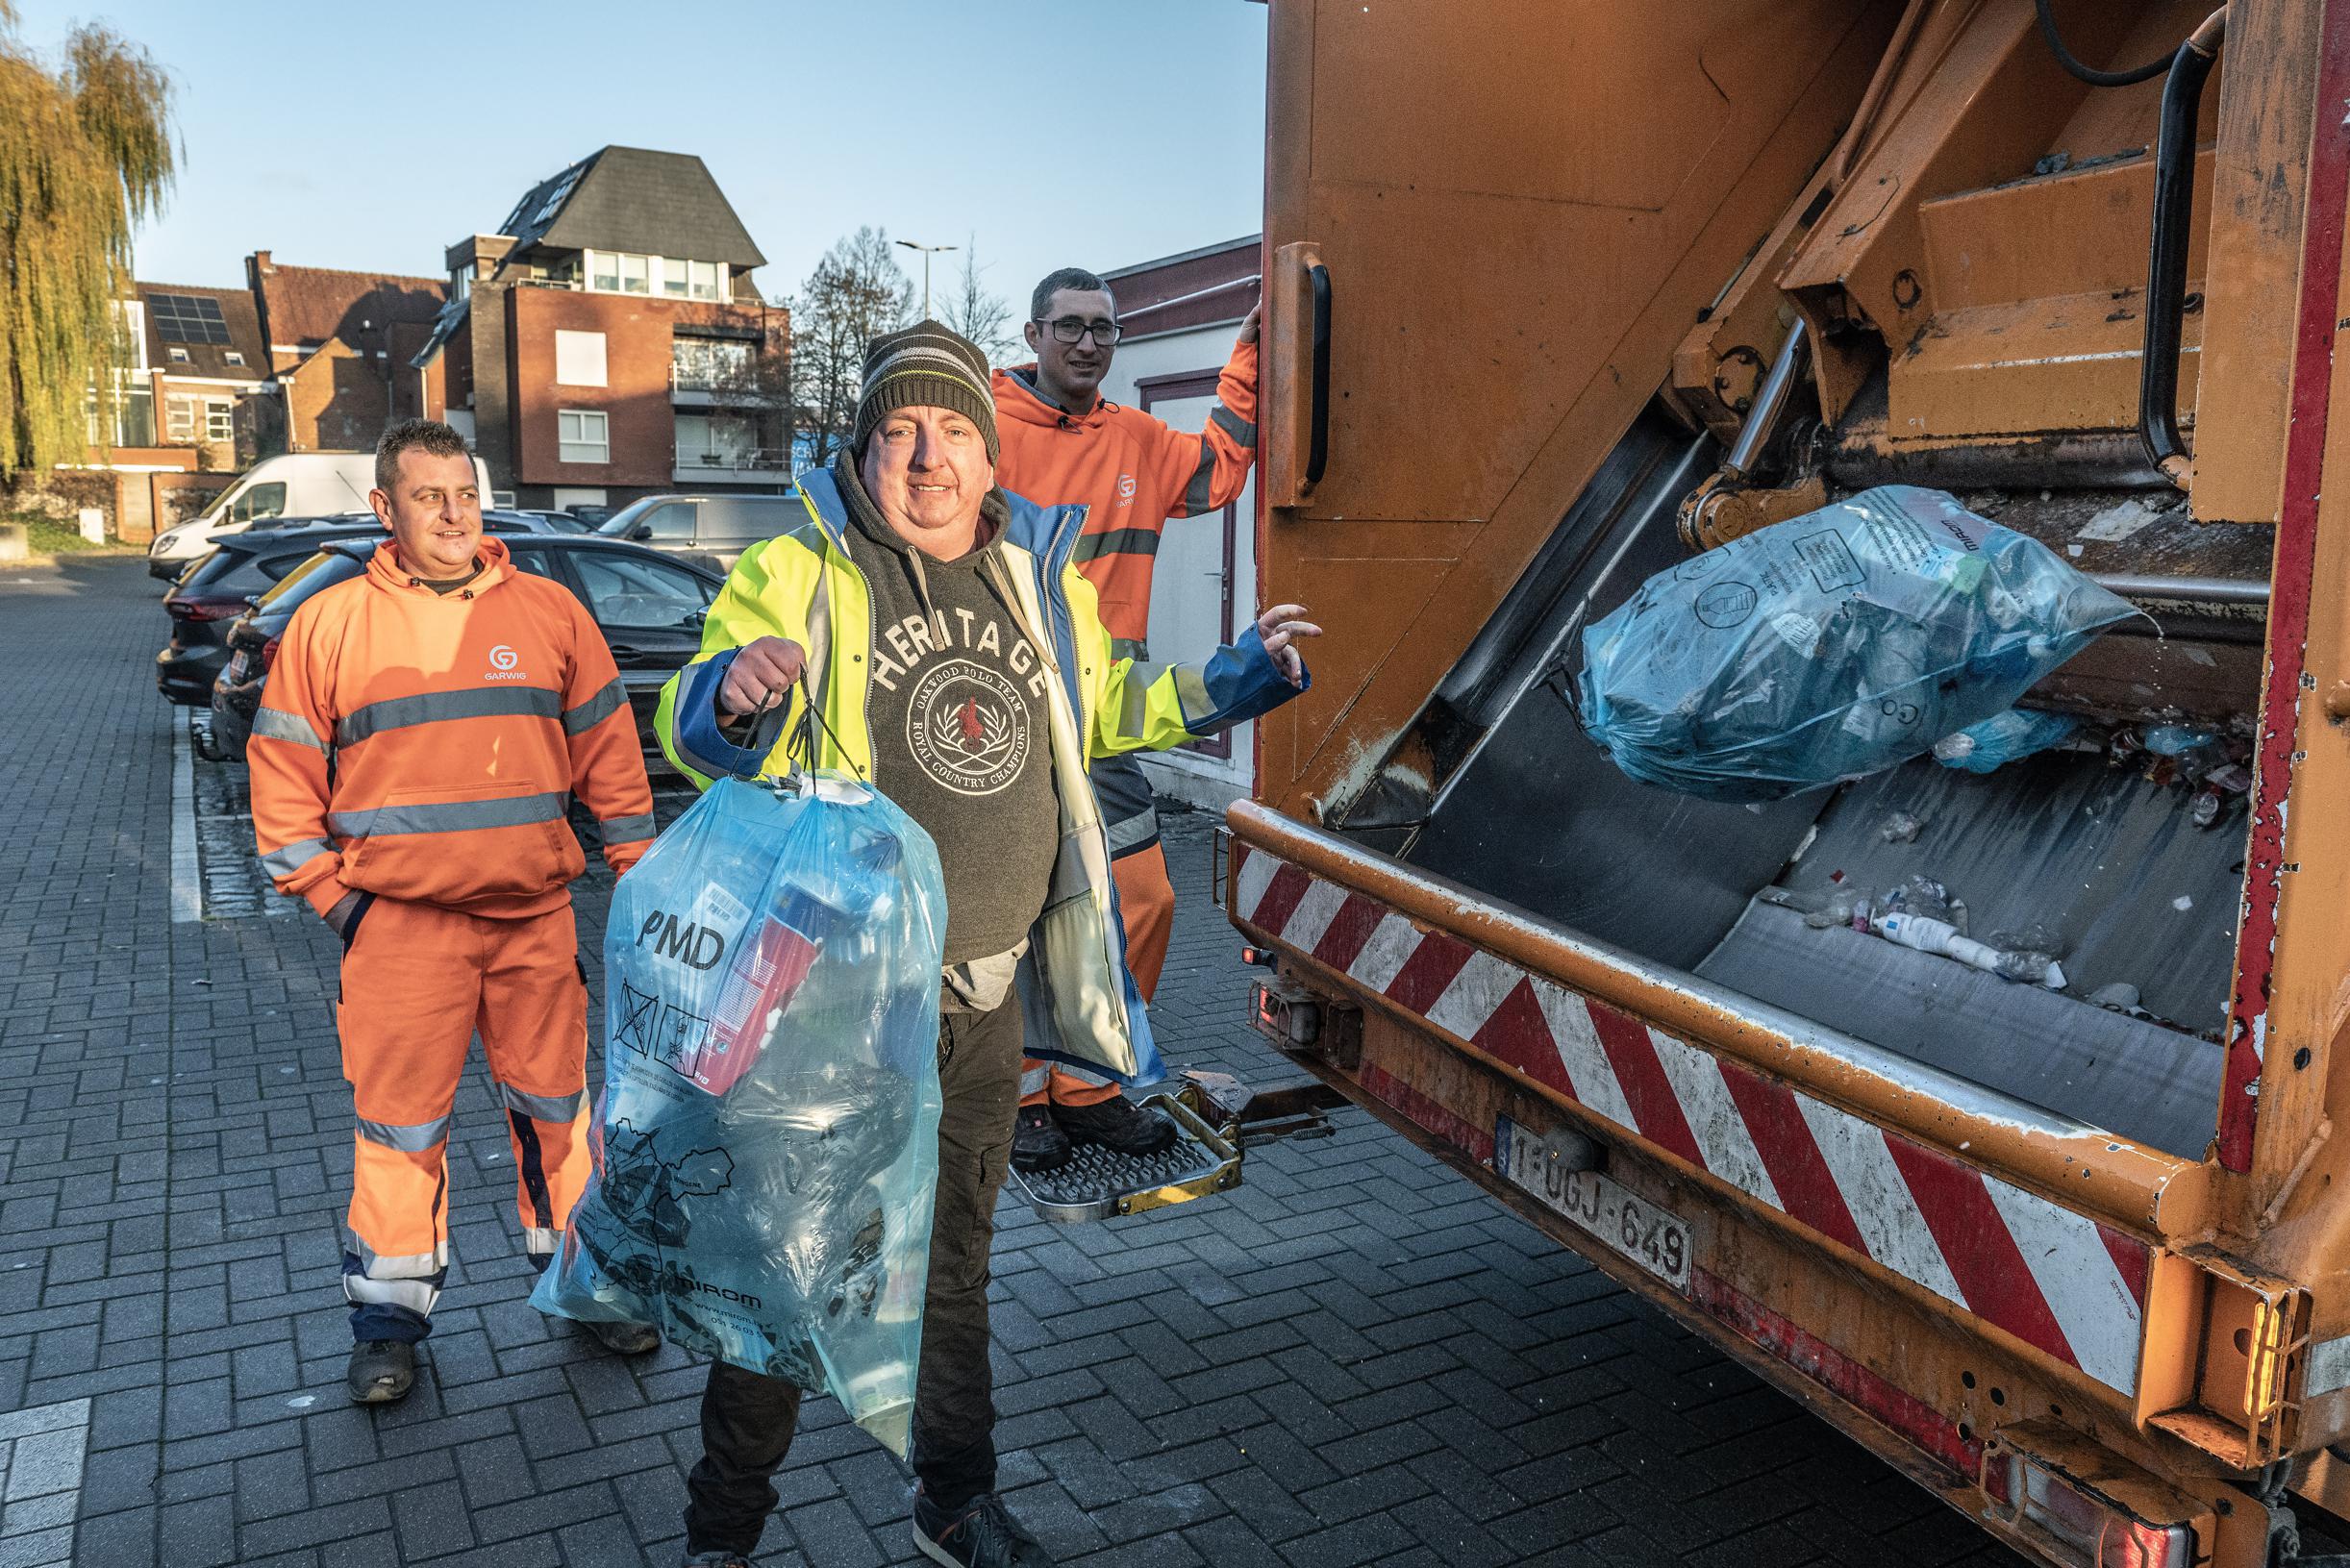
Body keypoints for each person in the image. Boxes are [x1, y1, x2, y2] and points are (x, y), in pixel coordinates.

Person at [655, 321, 1316, 1568]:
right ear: (864, 444)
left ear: (987, 446)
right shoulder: (801, 572)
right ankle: (721, 1532)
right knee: (786, 1276)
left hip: (982, 1003)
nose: (928, 455)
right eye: (900, 428)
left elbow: (1110, 703)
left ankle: (954, 1502)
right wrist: (730, 695)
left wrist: (1233, 681)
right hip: (836, 1002)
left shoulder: (1037, 578)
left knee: (957, 1267)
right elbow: (694, 722)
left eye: (953, 427)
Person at [247, 418, 663, 1405]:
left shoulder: (551, 611)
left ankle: (584, 1285)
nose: (452, 514)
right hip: (398, 929)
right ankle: (389, 1320)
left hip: (533, 917)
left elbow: (610, 752)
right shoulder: (331, 623)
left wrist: (637, 872)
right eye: (427, 496)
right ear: (383, 509)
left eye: (465, 493)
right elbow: (281, 774)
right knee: (399, 1126)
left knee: (558, 1116)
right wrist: (340, 904)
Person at [992, 265, 1261, 1172]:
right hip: (1004, 708)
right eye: (1068, 326)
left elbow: (1220, 469)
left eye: (1102, 328)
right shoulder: (984, 433)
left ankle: (1092, 1086)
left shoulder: (1138, 440)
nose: (1087, 343)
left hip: (1103, 716)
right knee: (1019, 918)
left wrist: (1254, 358)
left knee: (1141, 900)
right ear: (1033, 336)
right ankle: (1023, 1098)